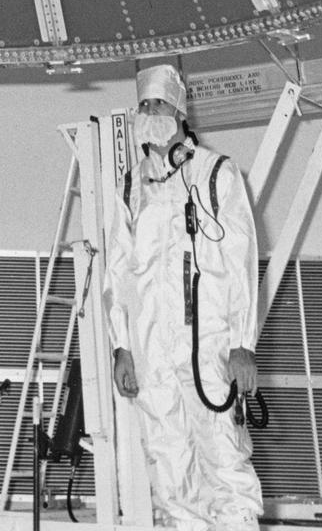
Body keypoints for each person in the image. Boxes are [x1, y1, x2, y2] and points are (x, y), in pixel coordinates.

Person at [105, 63, 263, 531]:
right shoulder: (131, 185)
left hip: (208, 346)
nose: (149, 113)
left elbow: (241, 260)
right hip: (152, 352)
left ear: (178, 110)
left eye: (157, 104)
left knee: (224, 460)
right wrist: (121, 346)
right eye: (143, 105)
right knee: (169, 469)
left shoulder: (216, 173)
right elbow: (119, 273)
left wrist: (242, 344)